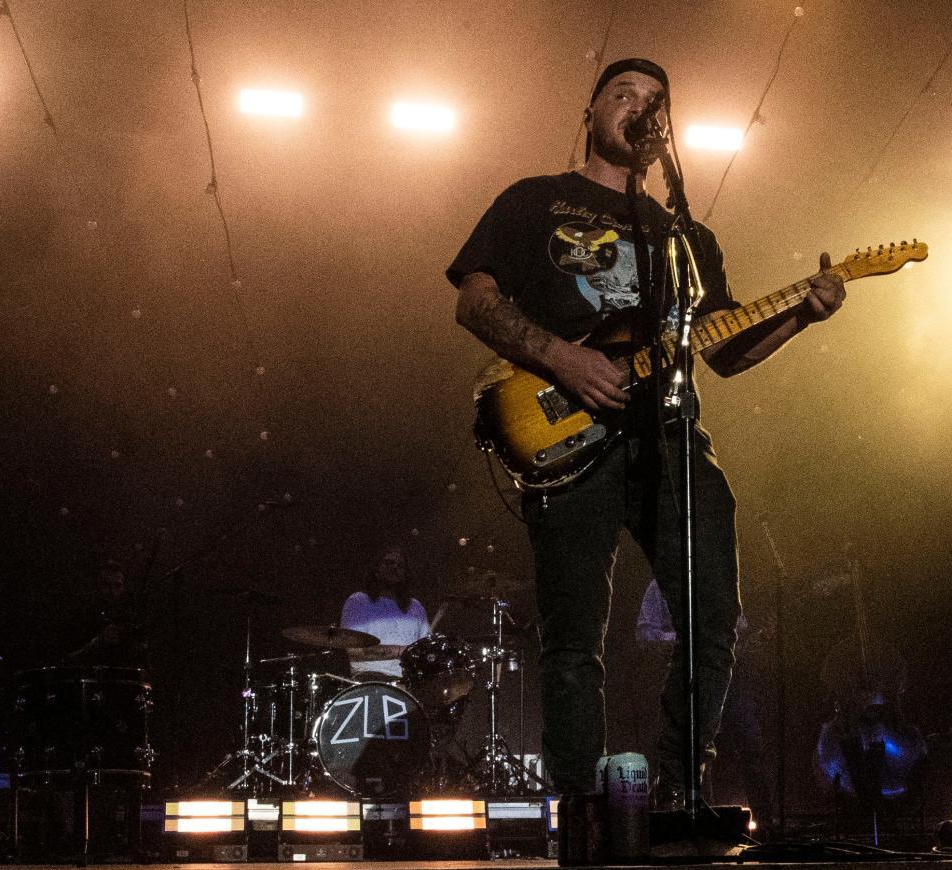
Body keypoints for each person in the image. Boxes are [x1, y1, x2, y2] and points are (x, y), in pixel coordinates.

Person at [448, 57, 845, 804]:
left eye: (654, 101)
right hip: (566, 435)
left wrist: (801, 312)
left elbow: (725, 350)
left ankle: (675, 792)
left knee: (715, 618)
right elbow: (474, 302)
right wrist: (563, 357)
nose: (639, 107)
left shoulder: (686, 235)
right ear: (590, 113)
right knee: (573, 637)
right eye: (622, 95)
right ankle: (582, 808)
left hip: (670, 436)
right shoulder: (536, 200)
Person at [636, 579, 772, 826]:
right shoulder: (660, 586)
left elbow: (738, 629)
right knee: (698, 750)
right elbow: (645, 634)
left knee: (752, 746)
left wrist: (743, 643)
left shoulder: (719, 584)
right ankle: (698, 822)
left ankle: (766, 823)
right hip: (686, 683)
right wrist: (686, 639)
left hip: (729, 683)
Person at [340, 545, 430, 679]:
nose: (395, 567)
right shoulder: (358, 601)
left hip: (409, 681)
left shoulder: (415, 606)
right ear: (376, 570)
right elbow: (353, 650)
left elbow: (425, 649)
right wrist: (400, 651)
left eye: (400, 565)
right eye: (389, 563)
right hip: (370, 678)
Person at [62, 560, 149, 668]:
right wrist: (98, 643)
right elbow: (65, 660)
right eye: (105, 585)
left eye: (117, 586)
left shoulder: (131, 618)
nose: (112, 591)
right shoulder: (81, 616)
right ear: (95, 587)